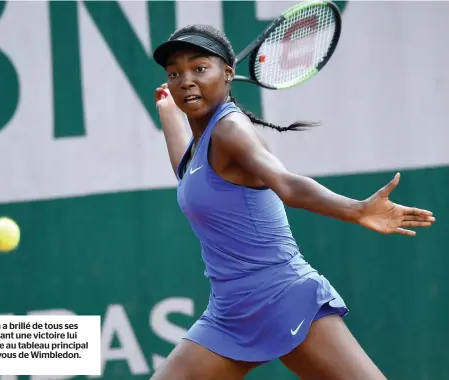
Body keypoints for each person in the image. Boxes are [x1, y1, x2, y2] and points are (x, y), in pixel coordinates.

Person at [150, 24, 436, 380]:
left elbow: (287, 184)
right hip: (228, 313)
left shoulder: (231, 130)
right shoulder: (199, 147)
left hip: (282, 297)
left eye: (199, 68)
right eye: (175, 73)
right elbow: (187, 169)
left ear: (227, 74)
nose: (185, 80)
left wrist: (356, 209)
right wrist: (168, 112)